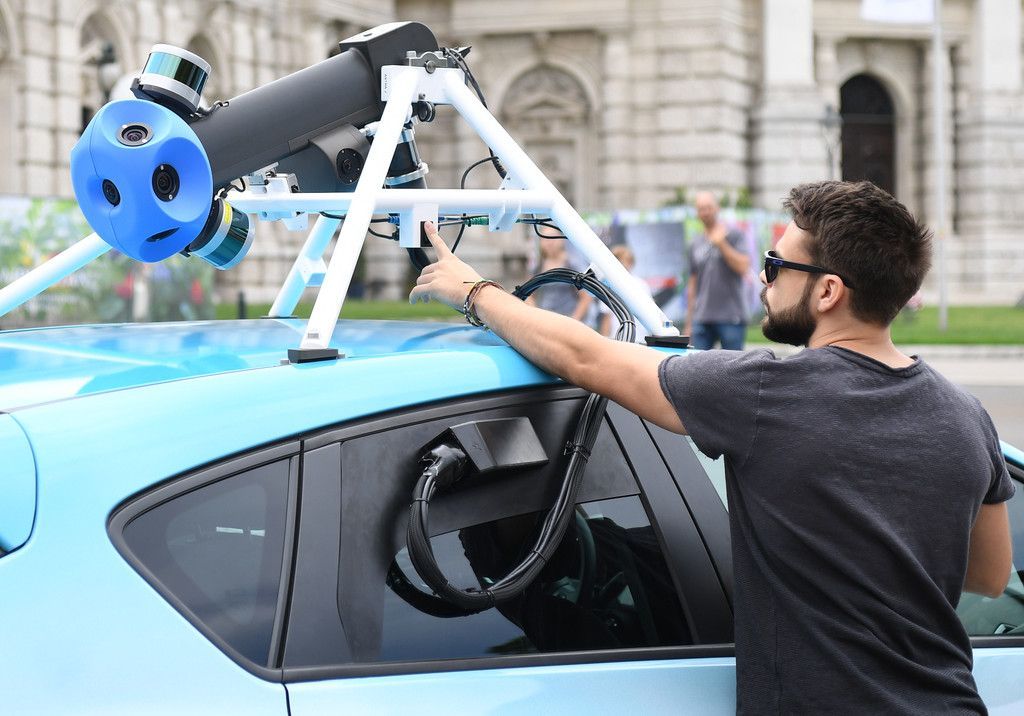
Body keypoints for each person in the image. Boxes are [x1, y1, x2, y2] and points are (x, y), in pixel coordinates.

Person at [411, 180, 1014, 714]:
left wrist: (474, 289)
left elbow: (586, 357)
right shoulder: (967, 416)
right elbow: (989, 576)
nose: (763, 278)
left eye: (777, 265)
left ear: (829, 291)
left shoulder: (764, 395)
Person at [685, 191, 751, 350]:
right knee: (697, 364)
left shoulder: (734, 235)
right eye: (701, 209)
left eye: (708, 207)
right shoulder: (695, 242)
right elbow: (693, 283)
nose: (705, 212)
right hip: (702, 317)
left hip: (731, 317)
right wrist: (689, 322)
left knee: (733, 365)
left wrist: (722, 244)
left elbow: (743, 267)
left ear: (717, 208)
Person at [597, 244, 652, 343]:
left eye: (625, 260)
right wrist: (603, 342)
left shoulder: (642, 285)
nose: (622, 264)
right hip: (617, 340)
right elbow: (607, 318)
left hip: (640, 340)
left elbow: (650, 316)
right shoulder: (608, 286)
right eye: (618, 260)